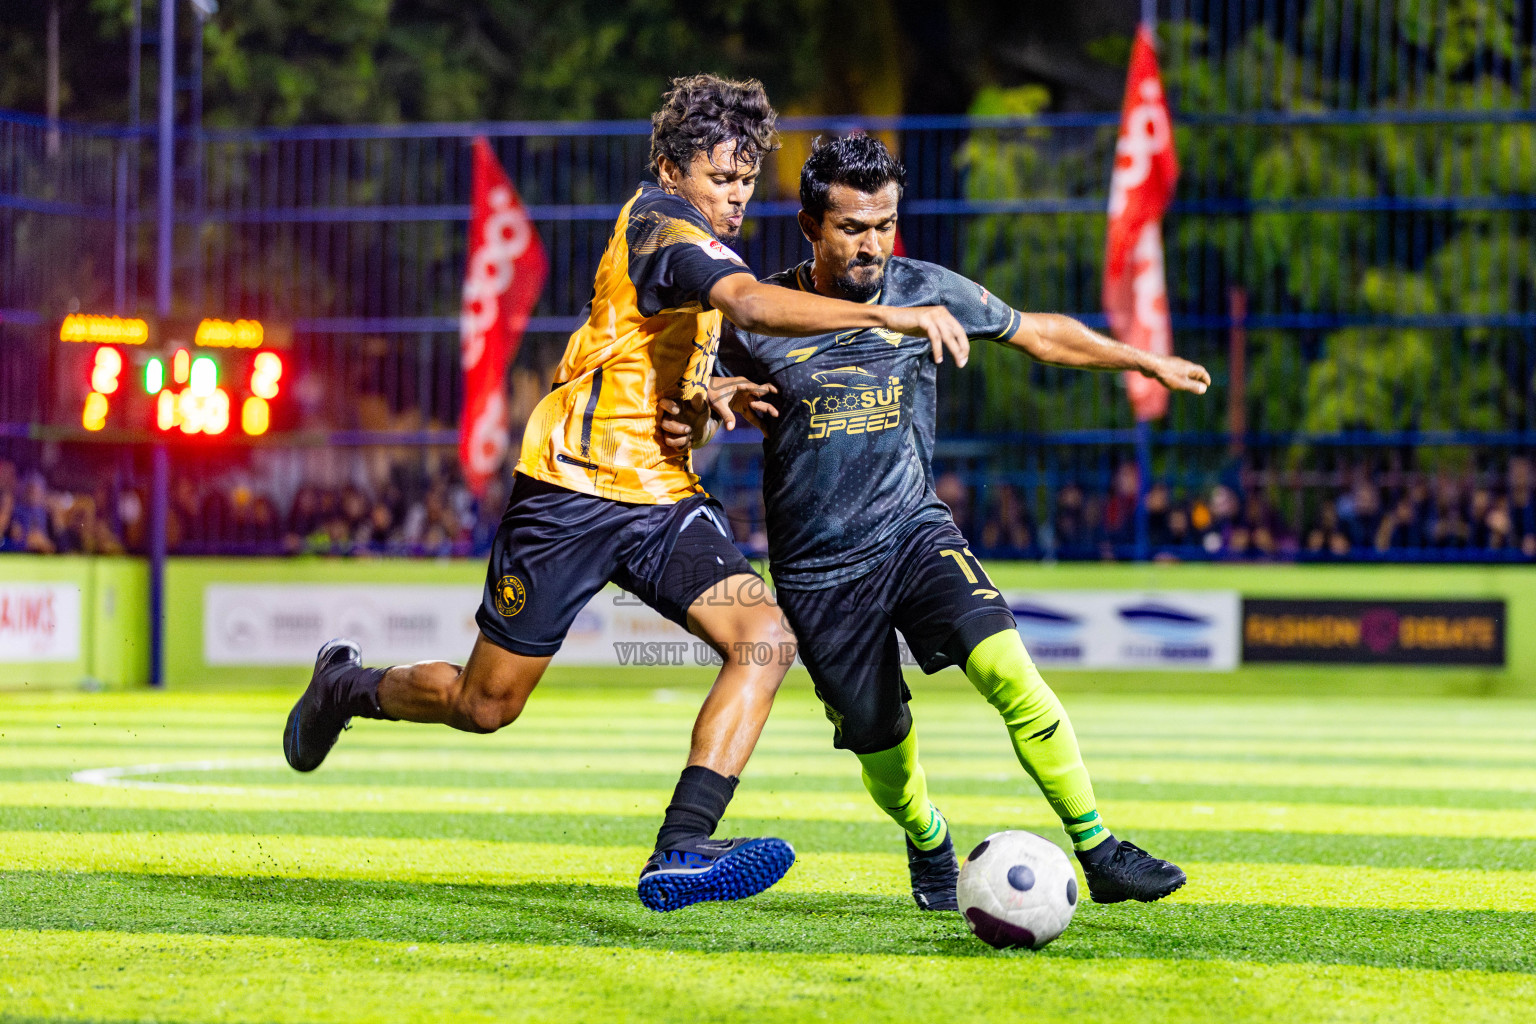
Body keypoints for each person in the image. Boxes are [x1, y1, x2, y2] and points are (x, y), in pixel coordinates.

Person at [281, 76, 974, 913]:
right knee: (487, 703)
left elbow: (669, 370)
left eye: (747, 180)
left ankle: (681, 849)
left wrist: (714, 400)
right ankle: (348, 686)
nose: (736, 196)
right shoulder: (658, 223)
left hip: (658, 501)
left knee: (763, 637)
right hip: (570, 488)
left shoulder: (710, 250)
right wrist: (887, 318)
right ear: (671, 168)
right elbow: (749, 301)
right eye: (721, 178)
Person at [662, 135, 1210, 910]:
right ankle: (927, 839)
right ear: (810, 226)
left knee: (1010, 672)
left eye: (884, 223)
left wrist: (1142, 360)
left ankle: (1100, 847)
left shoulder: (924, 288)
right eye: (853, 227)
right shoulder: (755, 317)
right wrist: (712, 406)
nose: (873, 244)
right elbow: (692, 414)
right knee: (882, 743)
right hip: (819, 575)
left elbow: (1036, 331)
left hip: (914, 534)